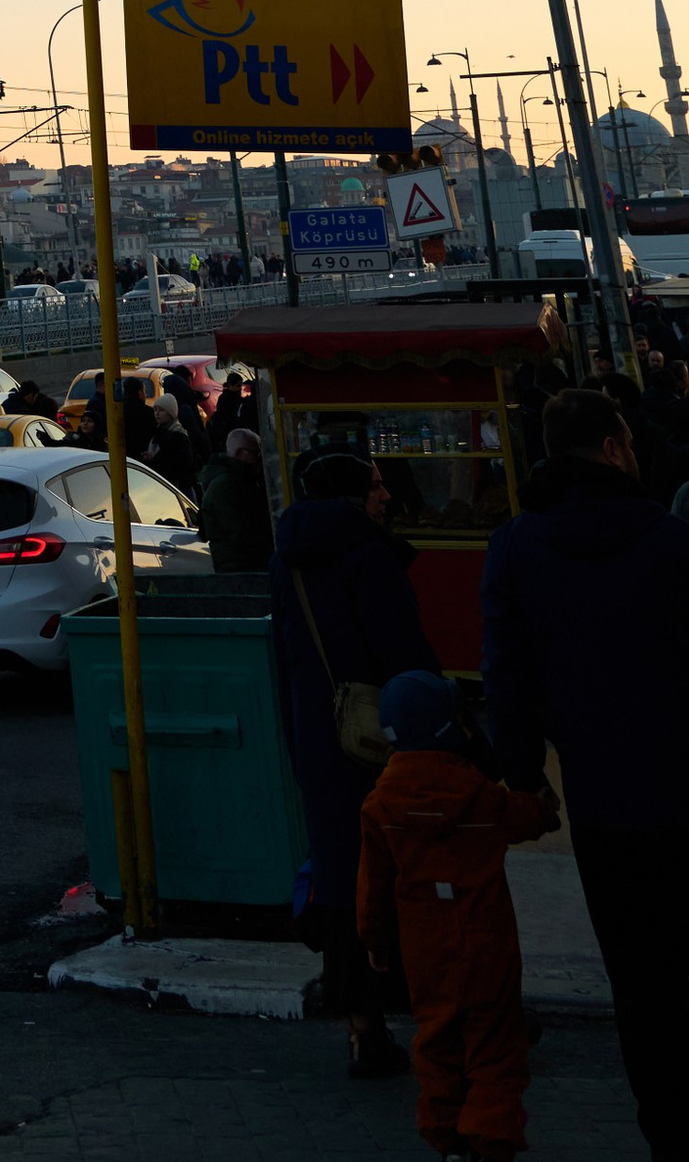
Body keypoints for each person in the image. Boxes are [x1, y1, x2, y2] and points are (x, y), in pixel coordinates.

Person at [482, 382, 689, 1162]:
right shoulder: (670, 542)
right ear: (611, 448)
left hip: (604, 806)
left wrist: (524, 773)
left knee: (641, 981)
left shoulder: (517, 547)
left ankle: (668, 1128)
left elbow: (509, 674)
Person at [270, 449, 438, 1080]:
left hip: (321, 743)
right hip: (383, 742)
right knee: (409, 872)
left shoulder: (287, 559)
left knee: (344, 883)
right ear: (350, 497)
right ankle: (436, 1010)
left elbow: (281, 659)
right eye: (374, 487)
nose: (385, 497)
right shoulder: (370, 558)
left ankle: (363, 1026)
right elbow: (406, 656)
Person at [359, 665, 557, 1162]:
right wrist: (544, 803)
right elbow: (532, 816)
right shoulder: (483, 799)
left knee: (437, 1041)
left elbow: (374, 887)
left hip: (425, 949)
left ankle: (447, 1138)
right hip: (487, 943)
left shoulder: (380, 805)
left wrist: (377, 943)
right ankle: (490, 1142)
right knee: (495, 1045)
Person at [198, 425, 274, 574]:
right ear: (240, 453)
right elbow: (239, 531)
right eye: (256, 453)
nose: (259, 459)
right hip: (241, 566)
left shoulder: (238, 479)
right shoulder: (226, 484)